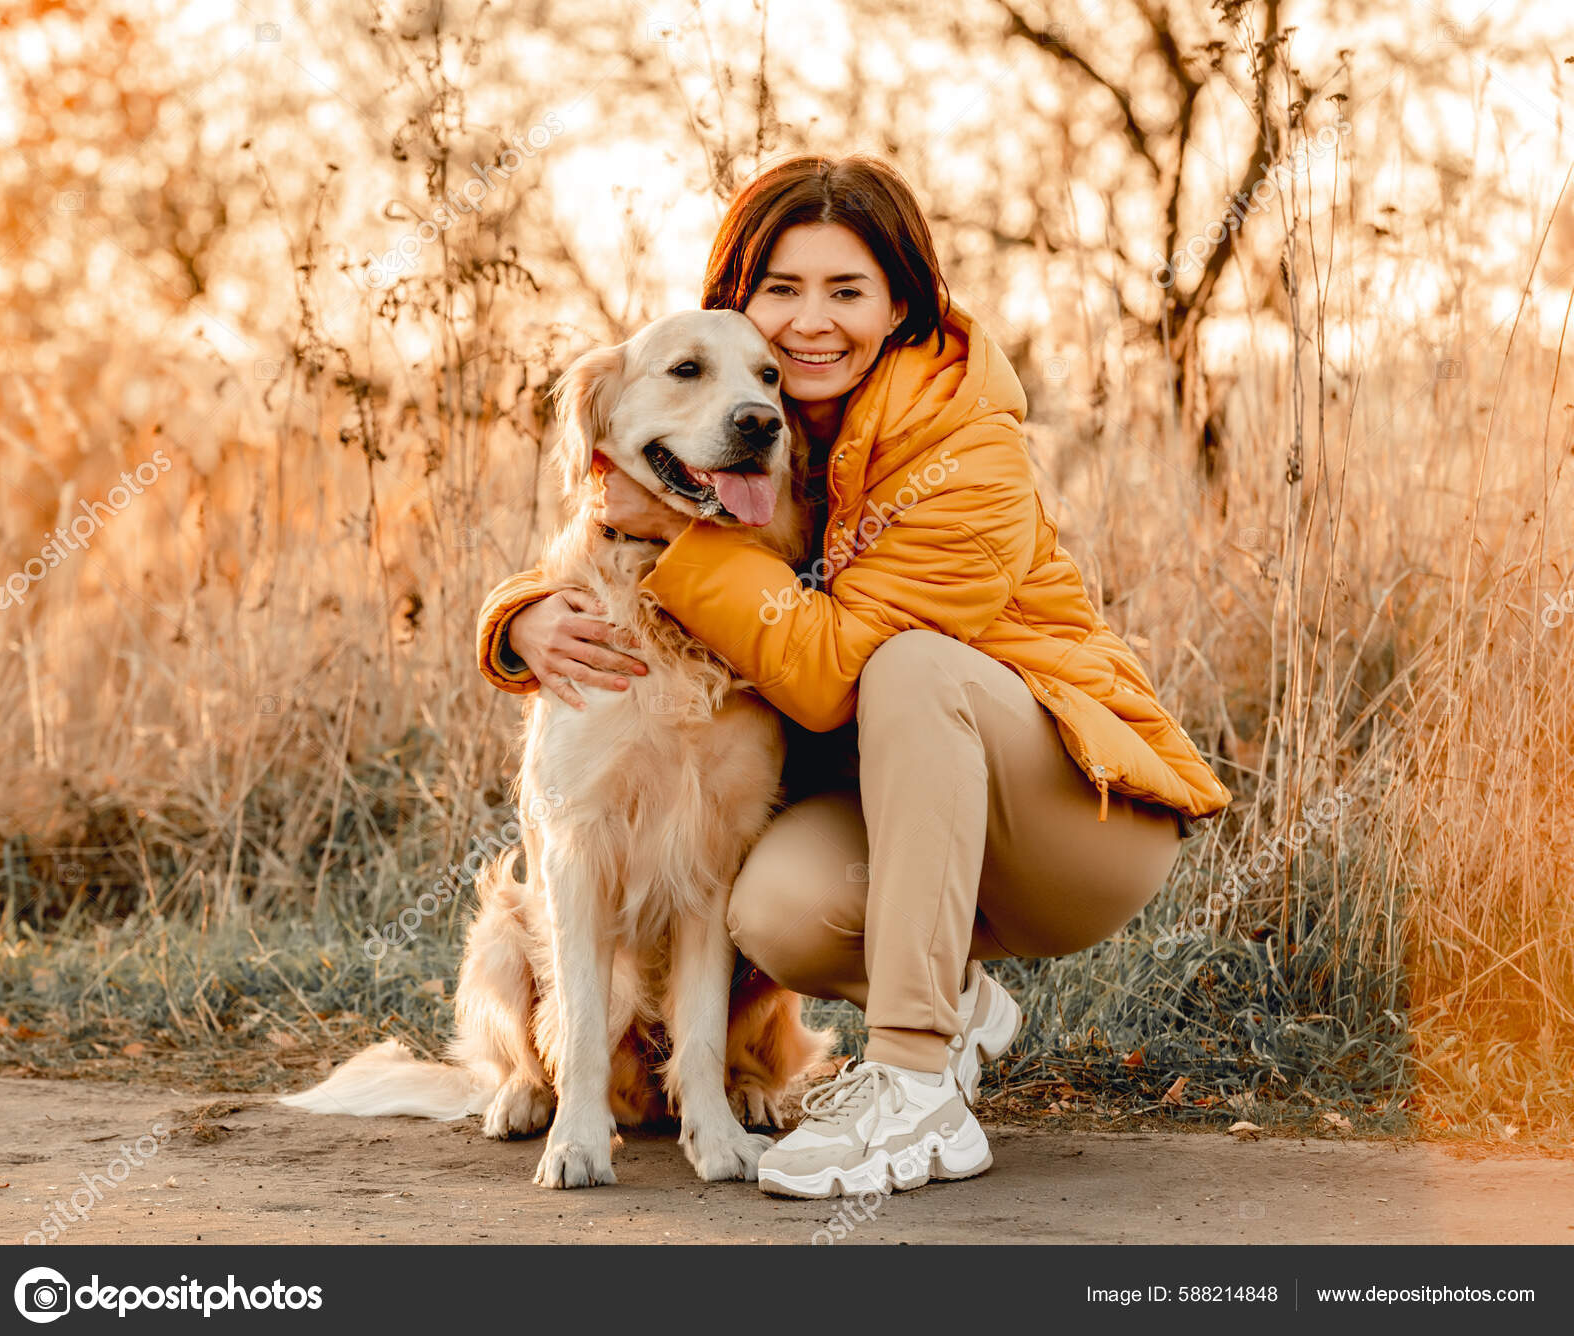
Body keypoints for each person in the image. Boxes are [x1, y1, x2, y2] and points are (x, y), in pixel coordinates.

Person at [476, 153, 1232, 1199]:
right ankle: (945, 993)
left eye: (846, 290)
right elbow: (633, 524)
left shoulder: (961, 440)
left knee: (912, 665)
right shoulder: (773, 438)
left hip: (1072, 816)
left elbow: (834, 669)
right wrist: (516, 614)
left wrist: (675, 543)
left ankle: (918, 1082)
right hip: (920, 819)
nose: (807, 323)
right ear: (736, 300)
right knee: (768, 907)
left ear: (901, 303)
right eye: (780, 290)